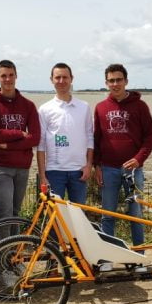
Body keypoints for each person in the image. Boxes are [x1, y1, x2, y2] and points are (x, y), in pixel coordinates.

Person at [93, 63, 152, 263]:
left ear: (126, 81)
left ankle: (139, 257)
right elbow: (96, 139)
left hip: (133, 171)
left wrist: (139, 159)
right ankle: (107, 258)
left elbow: (149, 137)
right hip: (108, 169)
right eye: (111, 80)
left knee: (135, 215)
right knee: (107, 214)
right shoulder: (101, 108)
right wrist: (97, 165)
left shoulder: (140, 106)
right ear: (106, 83)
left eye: (119, 80)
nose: (115, 84)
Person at [0, 60, 40, 230]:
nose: (8, 79)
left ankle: (15, 254)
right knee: (5, 215)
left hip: (22, 167)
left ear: (16, 76)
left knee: (16, 212)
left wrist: (7, 144)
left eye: (11, 75)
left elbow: (35, 138)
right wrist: (19, 134)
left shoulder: (28, 105)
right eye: (3, 76)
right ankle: (3, 256)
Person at [37, 62, 93, 203]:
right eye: (57, 78)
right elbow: (41, 145)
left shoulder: (84, 107)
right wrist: (43, 176)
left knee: (79, 215)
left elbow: (90, 137)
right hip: (54, 172)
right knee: (55, 217)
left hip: (79, 171)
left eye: (65, 77)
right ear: (52, 80)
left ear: (71, 78)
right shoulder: (44, 109)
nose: (61, 81)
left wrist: (89, 165)